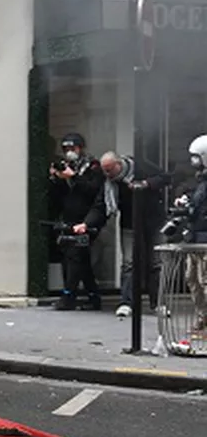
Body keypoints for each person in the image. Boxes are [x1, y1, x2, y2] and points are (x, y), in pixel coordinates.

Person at [82, 151, 171, 317]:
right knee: (129, 263)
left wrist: (145, 184)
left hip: (153, 221)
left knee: (156, 263)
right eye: (104, 170)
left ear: (118, 164)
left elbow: (165, 177)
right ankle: (126, 302)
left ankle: (158, 303)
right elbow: (101, 206)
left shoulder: (140, 166)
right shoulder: (111, 183)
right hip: (130, 223)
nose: (107, 174)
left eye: (109, 169)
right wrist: (86, 223)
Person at [49, 132, 105, 310]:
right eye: (66, 149)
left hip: (87, 220)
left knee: (75, 256)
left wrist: (73, 177)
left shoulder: (92, 167)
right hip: (69, 219)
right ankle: (93, 296)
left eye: (72, 148)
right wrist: (56, 178)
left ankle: (68, 296)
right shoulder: (67, 166)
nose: (69, 152)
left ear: (81, 148)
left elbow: (92, 190)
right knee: (79, 258)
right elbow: (60, 196)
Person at [170, 135, 207, 329]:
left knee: (205, 280)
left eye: (196, 157)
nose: (193, 162)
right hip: (195, 237)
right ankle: (203, 316)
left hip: (204, 239)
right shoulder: (200, 181)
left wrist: (190, 208)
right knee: (192, 279)